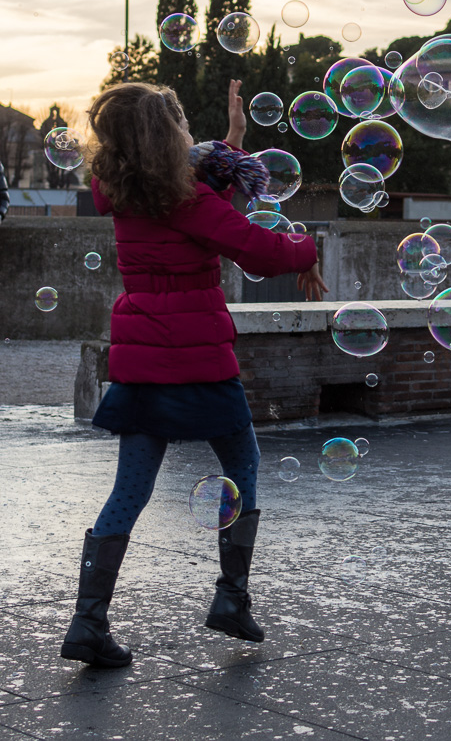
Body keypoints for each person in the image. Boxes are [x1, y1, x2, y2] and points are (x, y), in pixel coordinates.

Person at [61, 79, 327, 669]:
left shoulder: (120, 190)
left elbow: (201, 193)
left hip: (142, 357)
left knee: (129, 490)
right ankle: (231, 598)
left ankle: (87, 622)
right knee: (242, 463)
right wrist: (306, 249)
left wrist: (231, 142)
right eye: (179, 123)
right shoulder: (187, 202)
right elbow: (258, 249)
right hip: (198, 357)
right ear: (166, 136)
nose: (188, 132)